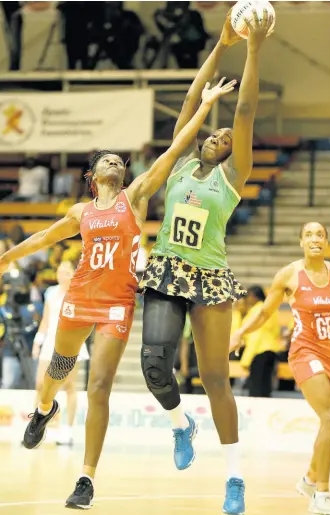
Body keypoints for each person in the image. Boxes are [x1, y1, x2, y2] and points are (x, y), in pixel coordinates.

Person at [0, 78, 236, 510]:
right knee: (59, 366)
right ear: (93, 177)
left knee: (99, 387)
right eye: (107, 160)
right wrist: (3, 259)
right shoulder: (80, 212)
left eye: (118, 159)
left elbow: (172, 151)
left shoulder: (136, 196)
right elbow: (40, 240)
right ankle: (44, 409)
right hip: (81, 296)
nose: (116, 162)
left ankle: (85, 479)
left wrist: (203, 107)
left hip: (117, 304)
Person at [139, 10, 273, 515]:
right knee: (154, 364)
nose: (220, 135)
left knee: (216, 378)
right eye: (212, 134)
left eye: (224, 136)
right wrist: (220, 44)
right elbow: (194, 101)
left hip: (211, 277)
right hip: (167, 267)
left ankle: (234, 477)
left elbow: (245, 113)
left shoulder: (233, 175)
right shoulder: (176, 168)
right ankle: (181, 425)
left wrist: (253, 49)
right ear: (198, 140)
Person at [230, 222, 330, 515]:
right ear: (301, 242)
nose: (315, 239)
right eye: (308, 234)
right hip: (304, 353)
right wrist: (240, 332)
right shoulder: (289, 275)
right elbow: (266, 312)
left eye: (320, 234)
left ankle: (309, 477)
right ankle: (321, 495)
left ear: (327, 241)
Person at [32, 260, 90, 446]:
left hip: (71, 343)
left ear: (74, 273)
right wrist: (37, 342)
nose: (61, 273)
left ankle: (68, 431)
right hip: (50, 342)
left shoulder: (79, 292)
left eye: (66, 271)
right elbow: (46, 320)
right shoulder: (50, 292)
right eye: (60, 270)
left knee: (69, 386)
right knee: (40, 384)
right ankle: (36, 428)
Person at [238, 286, 281, 398]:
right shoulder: (271, 309)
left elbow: (255, 336)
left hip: (258, 351)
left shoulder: (257, 311)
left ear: (253, 296)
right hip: (271, 350)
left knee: (256, 388)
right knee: (266, 387)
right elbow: (276, 331)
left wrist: (247, 359)